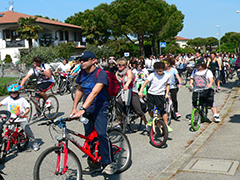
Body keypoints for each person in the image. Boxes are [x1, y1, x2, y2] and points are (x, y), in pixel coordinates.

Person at [70, 51, 117, 175]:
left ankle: (109, 162)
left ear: (94, 60)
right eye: (81, 60)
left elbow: (94, 92)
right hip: (88, 108)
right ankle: (94, 162)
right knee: (89, 137)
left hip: (101, 107)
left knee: (101, 134)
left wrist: (82, 109)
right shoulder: (81, 74)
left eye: (85, 59)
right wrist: (74, 108)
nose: (82, 62)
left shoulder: (100, 74)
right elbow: (80, 90)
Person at [0, 84, 39, 151]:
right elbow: (0, 104)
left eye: (15, 92)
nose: (13, 94)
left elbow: (27, 109)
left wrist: (24, 114)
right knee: (8, 132)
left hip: (22, 118)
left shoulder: (22, 100)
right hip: (12, 118)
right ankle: (8, 146)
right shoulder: (8, 99)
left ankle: (34, 142)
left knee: (27, 129)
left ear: (19, 92)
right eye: (11, 93)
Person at [138, 62, 173, 132]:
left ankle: (166, 125)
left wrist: (167, 93)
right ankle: (151, 118)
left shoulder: (167, 76)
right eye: (157, 71)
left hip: (160, 94)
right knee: (149, 108)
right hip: (151, 93)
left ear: (163, 69)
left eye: (160, 71)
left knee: (163, 110)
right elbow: (145, 83)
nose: (158, 73)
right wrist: (141, 91)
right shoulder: (152, 75)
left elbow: (168, 85)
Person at [115, 58, 148, 130]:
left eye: (120, 65)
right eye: (117, 65)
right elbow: (115, 81)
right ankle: (120, 122)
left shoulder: (129, 71)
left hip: (132, 91)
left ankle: (146, 122)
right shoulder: (117, 73)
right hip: (123, 92)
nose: (118, 66)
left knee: (138, 109)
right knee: (118, 105)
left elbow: (130, 78)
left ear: (125, 65)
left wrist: (127, 84)